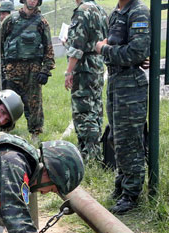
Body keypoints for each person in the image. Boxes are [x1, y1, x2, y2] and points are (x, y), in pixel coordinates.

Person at [96, 0, 150, 214]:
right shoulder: (117, 13)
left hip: (131, 85)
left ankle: (131, 195)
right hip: (117, 81)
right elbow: (121, 45)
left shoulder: (138, 12)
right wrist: (109, 47)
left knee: (130, 140)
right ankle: (121, 186)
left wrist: (104, 49)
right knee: (116, 138)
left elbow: (136, 53)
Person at [1, 0, 55, 140]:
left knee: (34, 104)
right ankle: (5, 135)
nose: (32, 1)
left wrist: (45, 70)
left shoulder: (42, 22)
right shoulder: (10, 21)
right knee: (7, 104)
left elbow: (49, 49)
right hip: (12, 69)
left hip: (33, 71)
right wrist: (0, 69)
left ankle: (35, 136)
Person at [64, 0, 108, 163]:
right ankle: (95, 150)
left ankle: (90, 155)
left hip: (84, 67)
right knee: (95, 108)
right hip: (97, 65)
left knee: (84, 111)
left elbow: (77, 47)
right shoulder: (100, 11)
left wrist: (69, 72)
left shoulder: (82, 11)